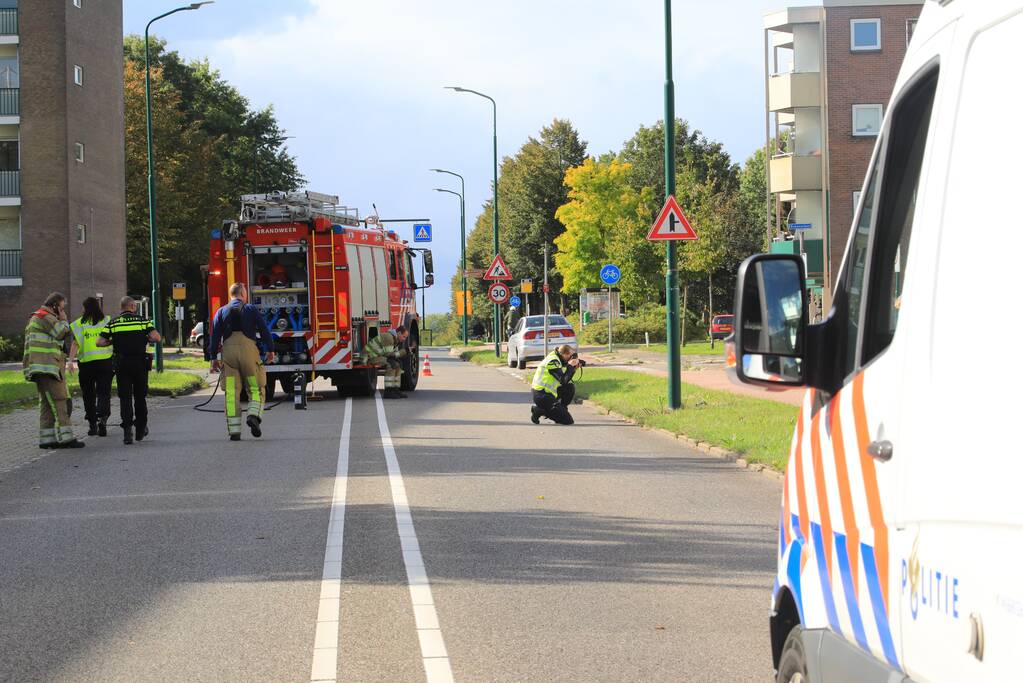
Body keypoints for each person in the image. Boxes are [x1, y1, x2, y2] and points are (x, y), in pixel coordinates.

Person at [209, 282, 276, 441]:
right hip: (248, 352)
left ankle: (234, 431)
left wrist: (213, 357)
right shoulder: (251, 309)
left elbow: (215, 336)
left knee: (231, 392)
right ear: (243, 294)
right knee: (256, 387)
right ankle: (253, 416)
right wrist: (270, 349)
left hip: (229, 353)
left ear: (231, 295)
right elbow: (264, 329)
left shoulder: (221, 311)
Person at [23, 292, 85, 449]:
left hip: (43, 368)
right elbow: (61, 332)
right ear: (55, 306)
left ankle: (47, 439)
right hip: (48, 368)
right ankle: (66, 438)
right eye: (62, 308)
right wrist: (64, 319)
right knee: (60, 401)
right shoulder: (45, 316)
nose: (63, 311)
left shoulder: (38, 316)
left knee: (46, 404)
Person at [97, 296, 161, 445]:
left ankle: (127, 433)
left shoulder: (113, 323)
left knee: (125, 398)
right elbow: (156, 337)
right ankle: (140, 429)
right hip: (139, 363)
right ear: (132, 306)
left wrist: (112, 341)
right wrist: (146, 338)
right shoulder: (142, 321)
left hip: (121, 364)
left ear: (121, 307)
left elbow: (99, 342)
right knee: (140, 397)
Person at [68, 296, 113, 437]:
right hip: (105, 362)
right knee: (104, 392)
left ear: (85, 308)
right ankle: (103, 419)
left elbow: (75, 344)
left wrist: (70, 361)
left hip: (86, 364)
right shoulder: (106, 321)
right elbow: (113, 339)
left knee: (88, 395)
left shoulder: (79, 324)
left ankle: (92, 425)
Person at [530, 344, 580, 425]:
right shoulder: (553, 361)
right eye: (570, 356)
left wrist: (573, 369)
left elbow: (566, 381)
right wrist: (570, 366)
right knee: (568, 421)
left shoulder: (557, 357)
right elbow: (563, 380)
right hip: (542, 395)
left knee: (569, 387)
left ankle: (561, 409)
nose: (570, 359)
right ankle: (538, 411)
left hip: (549, 393)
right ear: (565, 354)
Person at [365, 326, 411, 399]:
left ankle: (395, 389)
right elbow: (389, 355)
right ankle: (388, 391)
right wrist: (405, 351)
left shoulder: (395, 339)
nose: (404, 339)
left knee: (398, 365)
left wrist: (402, 354)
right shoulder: (389, 337)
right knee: (391, 364)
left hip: (379, 355)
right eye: (404, 337)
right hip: (371, 357)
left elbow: (392, 355)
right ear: (399, 333)